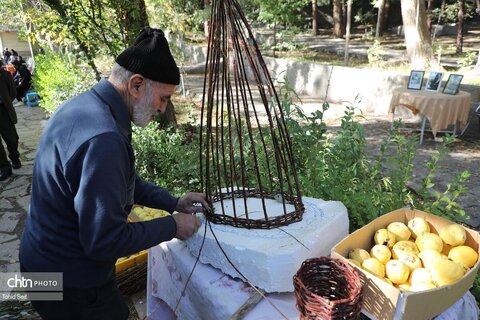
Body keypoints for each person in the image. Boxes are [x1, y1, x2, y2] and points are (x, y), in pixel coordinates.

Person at [19, 27, 209, 320]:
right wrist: (172, 227)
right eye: (163, 98)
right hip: (68, 284)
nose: (163, 108)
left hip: (37, 267)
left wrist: (173, 202)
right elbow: (105, 241)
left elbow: (124, 182)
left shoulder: (85, 107)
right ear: (136, 84)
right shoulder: (103, 138)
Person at [0, 59, 21, 181]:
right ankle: (4, 167)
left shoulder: (5, 74)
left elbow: (13, 92)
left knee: (12, 138)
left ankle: (14, 157)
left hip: (3, 110)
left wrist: (6, 101)